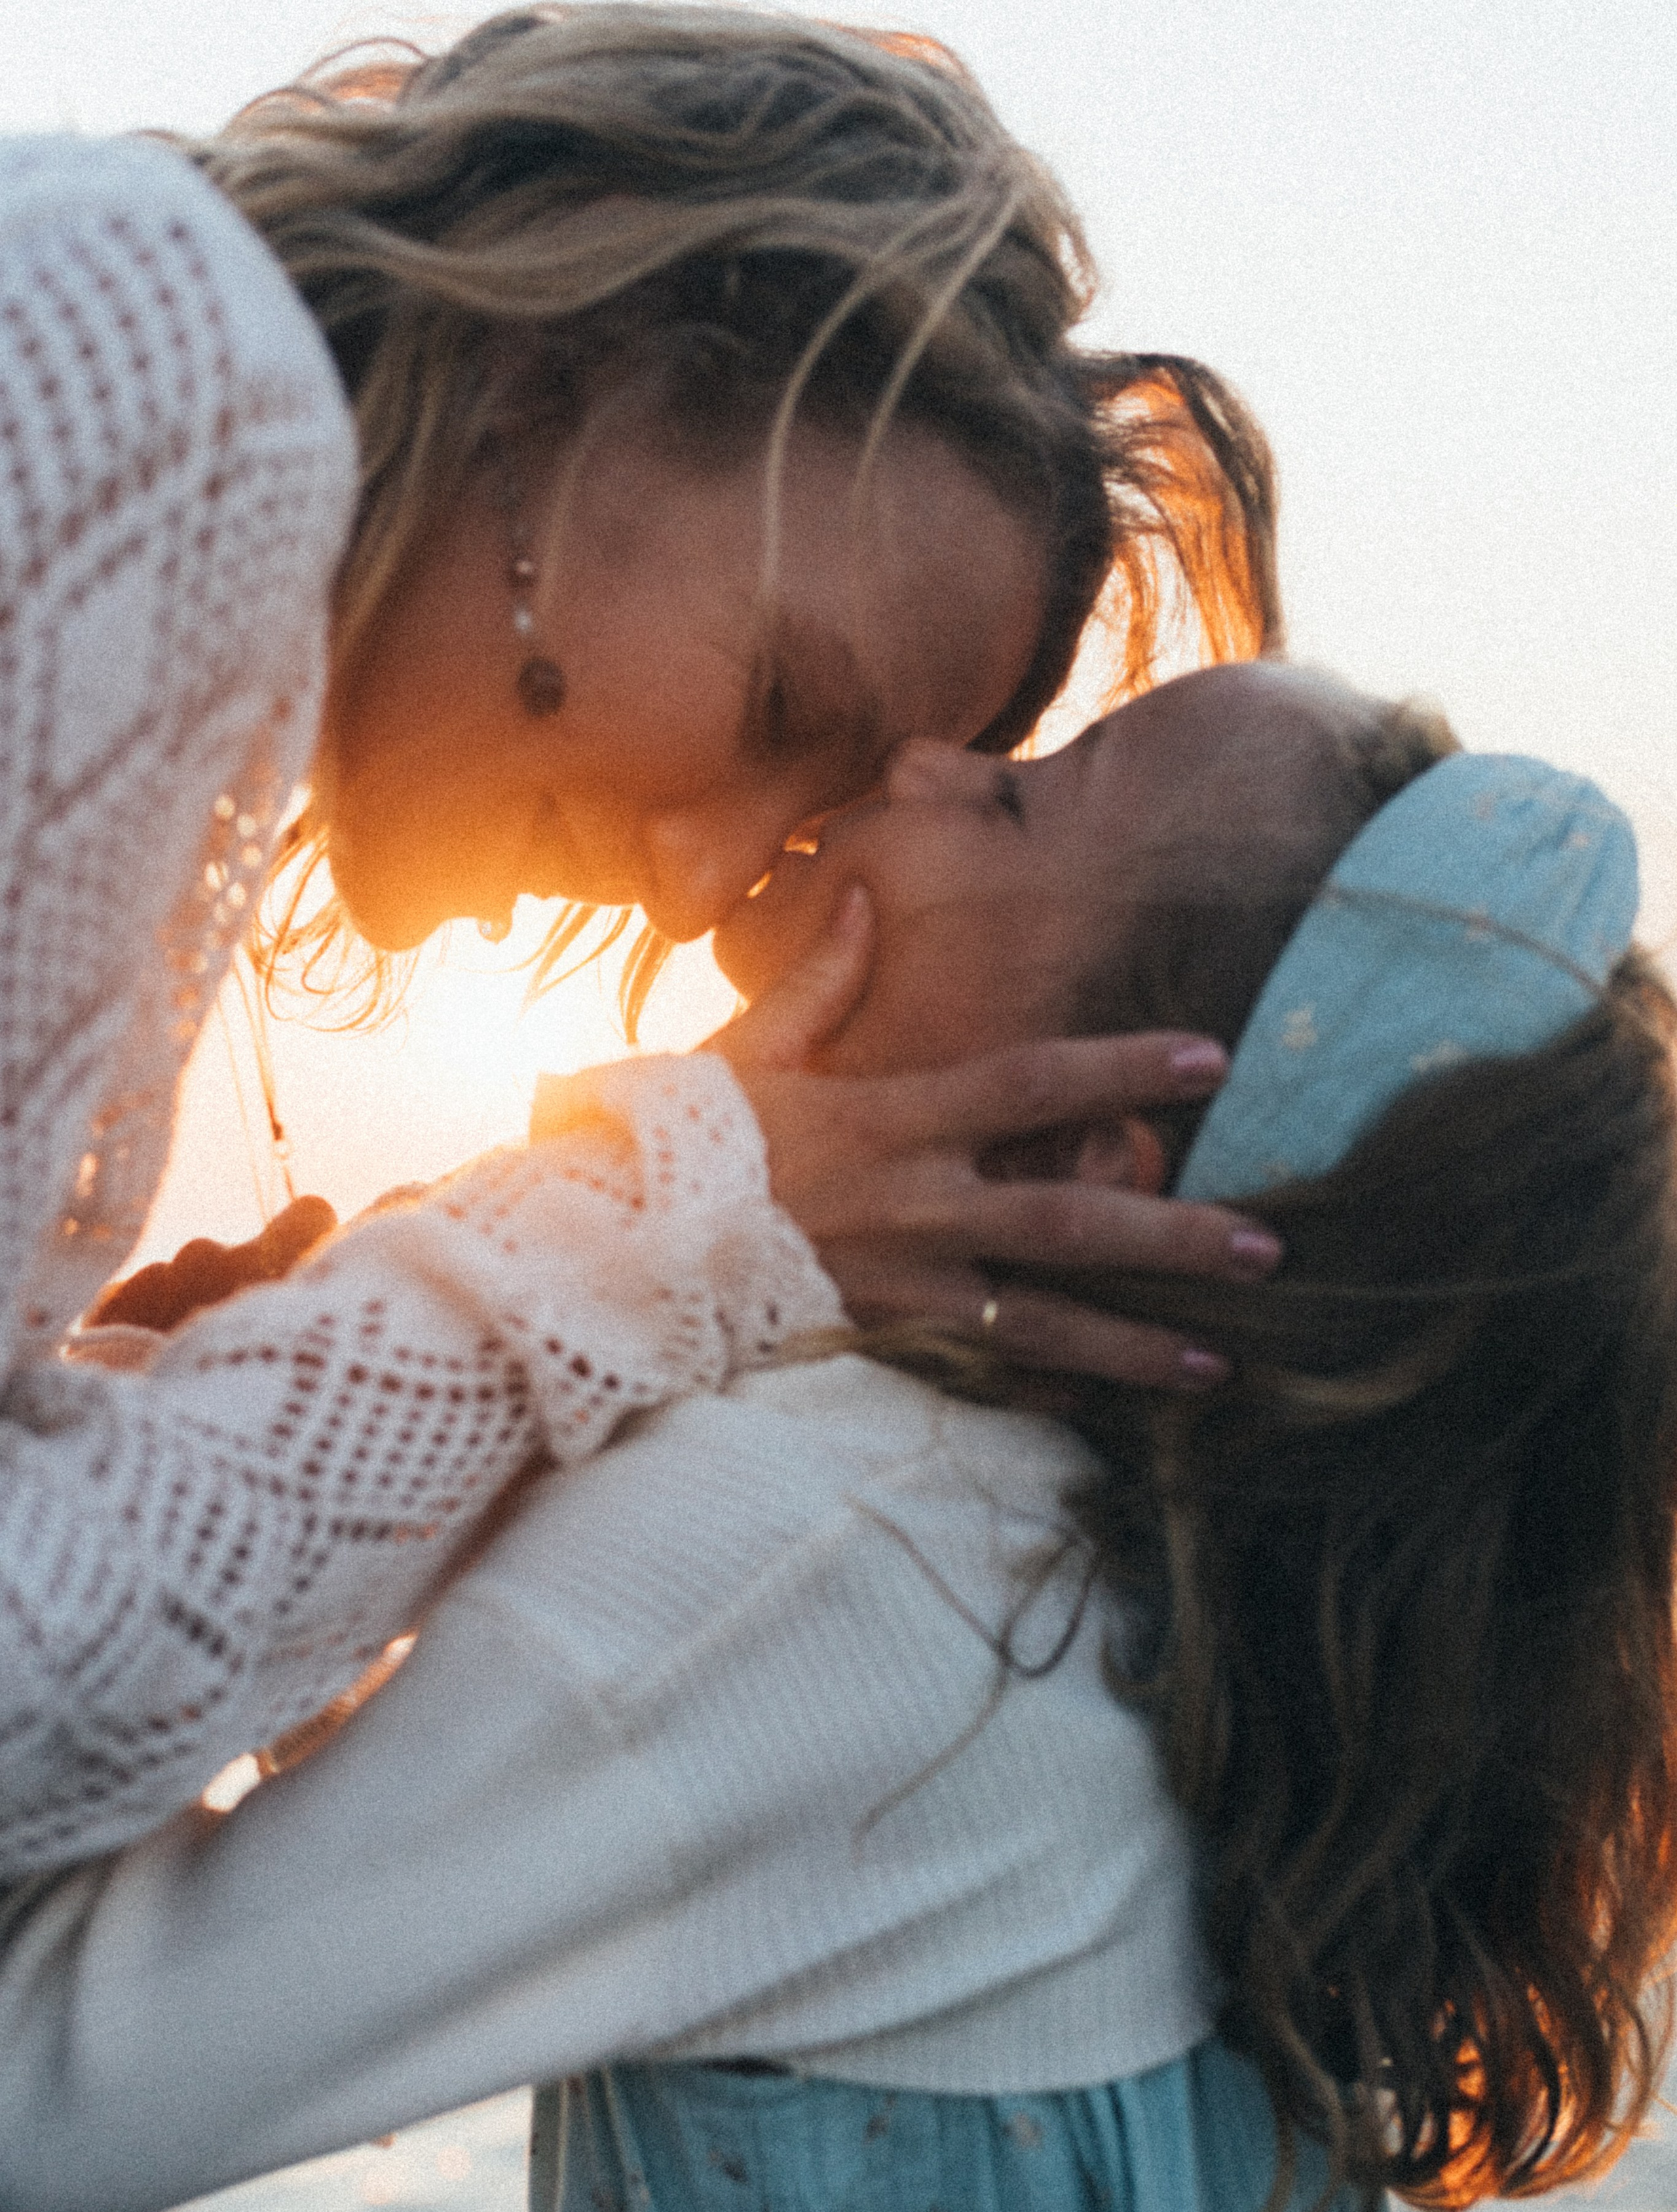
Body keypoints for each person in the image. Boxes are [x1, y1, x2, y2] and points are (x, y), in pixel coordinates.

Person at [7, 664, 1674, 2212]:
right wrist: (283, 1415)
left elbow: (60, 2079)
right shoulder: (1129, 1571)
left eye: (1025, 794)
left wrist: (148, 1456)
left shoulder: (832, 1547)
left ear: (1089, 1158)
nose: (929, 759)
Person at [0, 6, 1285, 1878]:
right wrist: (673, 1226)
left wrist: (166, 1393)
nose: (701, 894)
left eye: (812, 813)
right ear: (557, 370)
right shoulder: (165, 397)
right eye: (781, 707)